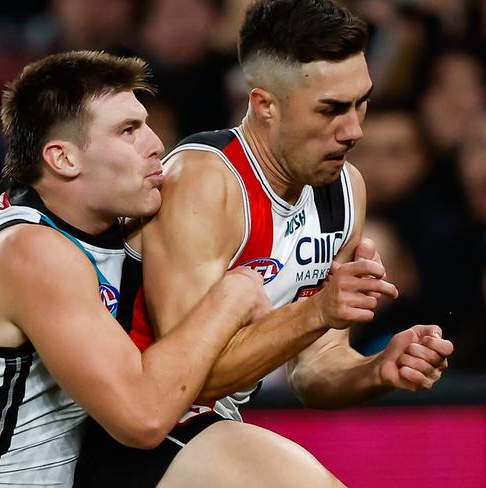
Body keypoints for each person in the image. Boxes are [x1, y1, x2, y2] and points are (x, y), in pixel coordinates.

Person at [74, 1, 454, 486]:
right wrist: (318, 312)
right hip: (124, 440)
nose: (354, 129)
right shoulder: (204, 182)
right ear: (264, 104)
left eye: (361, 101)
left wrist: (378, 369)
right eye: (331, 109)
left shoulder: (344, 189)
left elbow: (314, 369)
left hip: (206, 435)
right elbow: (187, 381)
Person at [0, 50, 269, 487]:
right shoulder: (29, 249)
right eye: (128, 131)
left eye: (145, 124)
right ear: (64, 159)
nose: (156, 143)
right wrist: (232, 295)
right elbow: (142, 418)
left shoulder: (119, 228)